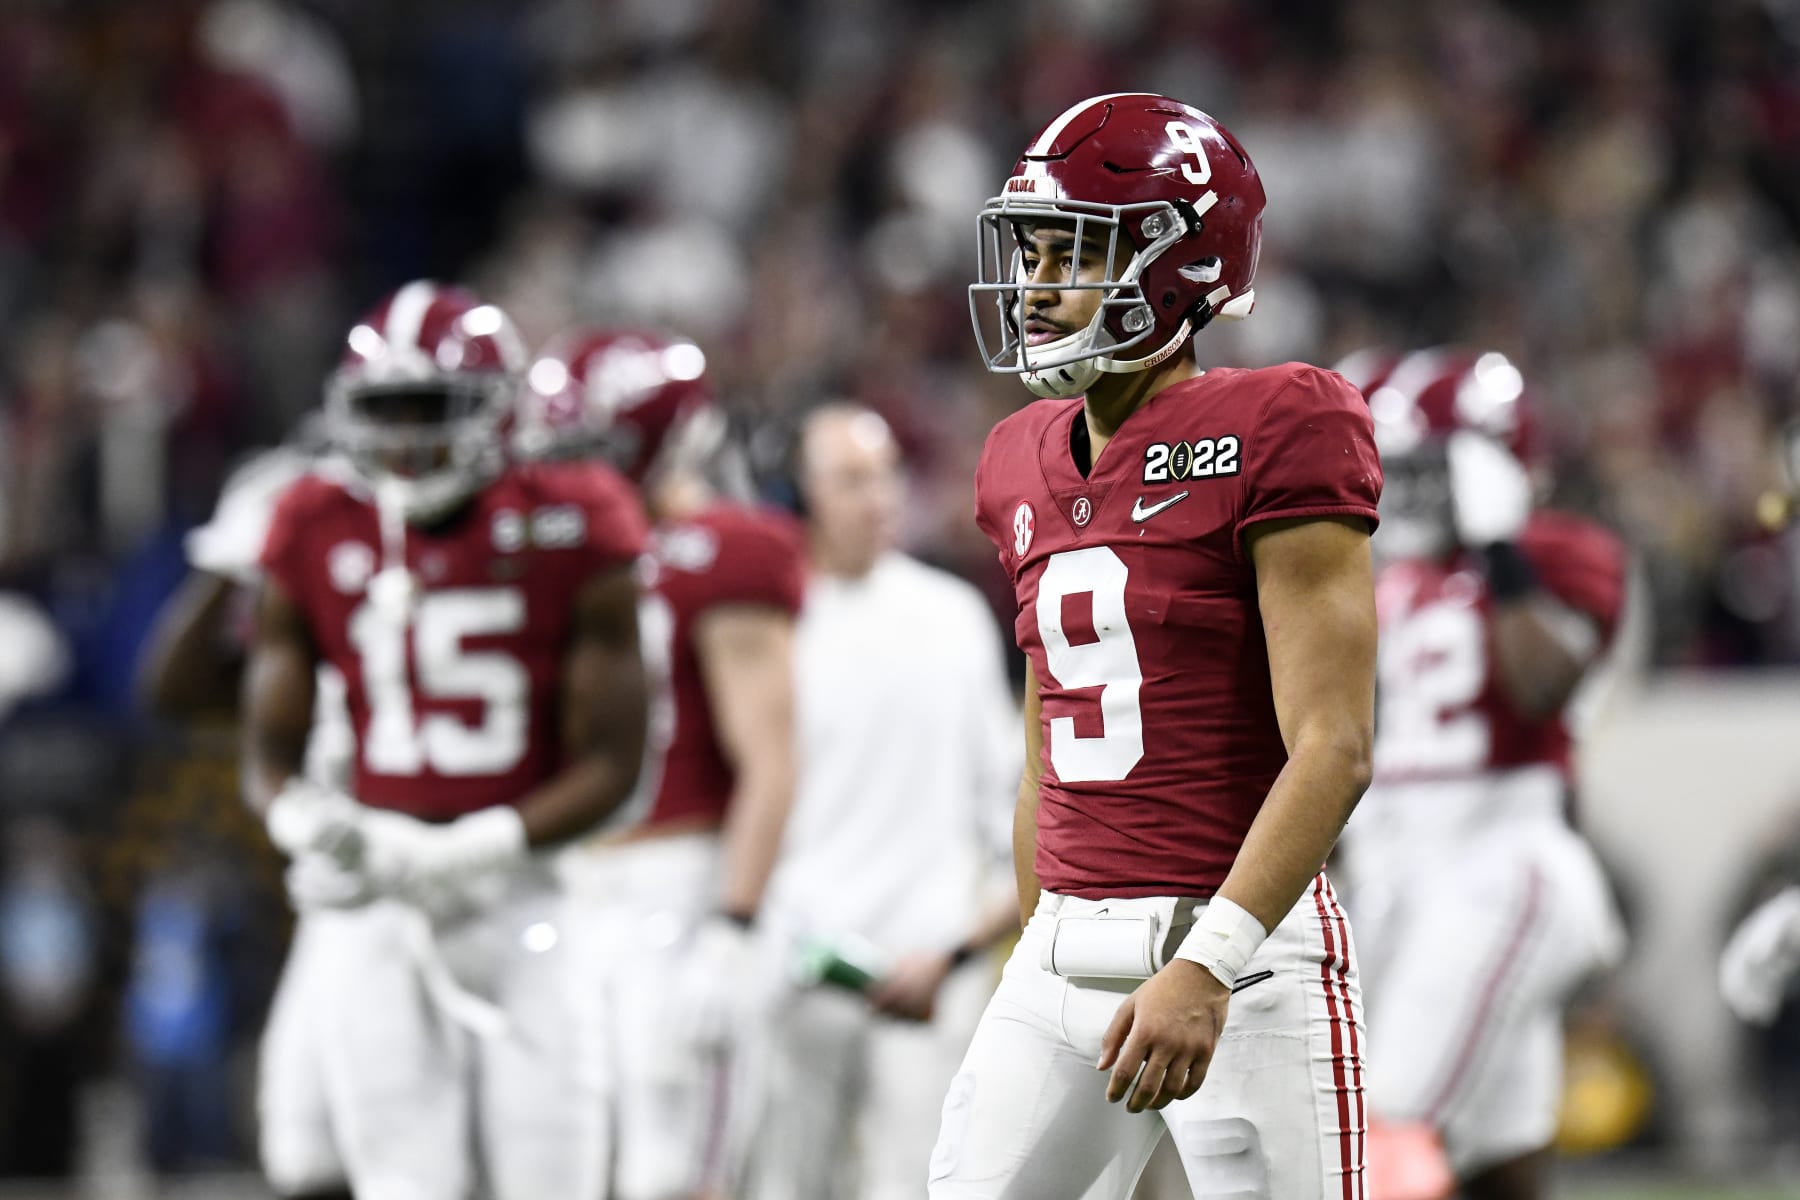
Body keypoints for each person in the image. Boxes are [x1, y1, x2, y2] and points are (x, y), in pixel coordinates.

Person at [933, 93, 1382, 1199]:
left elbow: (1333, 744)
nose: (1035, 286)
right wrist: (1036, 939)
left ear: (1172, 265)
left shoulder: (1283, 422)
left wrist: (1210, 961)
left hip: (1240, 955)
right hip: (1060, 954)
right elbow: (1047, 732)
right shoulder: (1015, 458)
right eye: (1031, 251)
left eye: (1071, 253)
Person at [240, 281, 651, 1199]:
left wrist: (481, 845)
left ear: (496, 412)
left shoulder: (573, 518)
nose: (404, 441)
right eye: (383, 414)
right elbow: (268, 747)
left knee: (554, 1174)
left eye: (429, 411)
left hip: (527, 891)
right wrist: (299, 820)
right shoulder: (313, 519)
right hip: (380, 892)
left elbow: (618, 763)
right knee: (400, 1179)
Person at [1333, 347, 1629, 1200]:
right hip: (1396, 879)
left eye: (1429, 468)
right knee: (1502, 1162)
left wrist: (1499, 548)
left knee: (1377, 1125)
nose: (1405, 490)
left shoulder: (1556, 554)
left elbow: (1543, 684)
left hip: (1501, 865)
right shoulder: (1380, 572)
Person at [517, 326, 803, 1198]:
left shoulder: (722, 549)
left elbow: (771, 756)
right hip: (568, 887)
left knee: (672, 1173)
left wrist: (736, 923)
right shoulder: (554, 550)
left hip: (678, 885)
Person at [747, 402, 1020, 1200]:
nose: (879, 498)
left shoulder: (953, 617)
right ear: (793, 498)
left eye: (887, 475)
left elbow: (1008, 805)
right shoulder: (767, 626)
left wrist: (961, 948)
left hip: (929, 966)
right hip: (795, 968)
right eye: (850, 480)